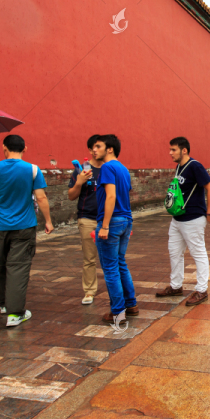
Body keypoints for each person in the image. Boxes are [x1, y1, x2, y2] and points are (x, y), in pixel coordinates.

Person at [0, 135, 52, 327]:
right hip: (24, 225)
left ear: (4, 148)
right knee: (18, 267)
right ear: (25, 148)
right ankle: (15, 313)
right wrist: (48, 221)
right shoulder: (33, 170)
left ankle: (3, 304)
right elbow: (41, 198)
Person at [156, 137, 210, 306]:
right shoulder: (179, 167)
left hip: (193, 218)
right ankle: (176, 286)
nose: (170, 153)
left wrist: (209, 212)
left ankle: (202, 290)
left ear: (184, 150)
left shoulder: (195, 166)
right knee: (174, 252)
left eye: (173, 150)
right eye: (170, 149)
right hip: (177, 218)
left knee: (198, 253)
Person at [92, 134, 138, 326]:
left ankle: (118, 312)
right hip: (126, 219)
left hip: (112, 221)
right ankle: (131, 305)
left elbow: (111, 197)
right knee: (120, 263)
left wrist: (104, 225)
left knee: (110, 268)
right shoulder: (124, 169)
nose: (94, 150)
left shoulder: (107, 167)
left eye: (98, 146)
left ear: (109, 149)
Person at [68, 134, 103, 305]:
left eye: (99, 147)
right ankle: (89, 291)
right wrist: (79, 182)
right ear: (89, 150)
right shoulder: (81, 170)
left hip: (108, 220)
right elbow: (71, 196)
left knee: (111, 257)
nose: (96, 150)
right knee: (89, 258)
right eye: (93, 148)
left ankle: (116, 289)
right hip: (87, 218)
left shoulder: (110, 169)